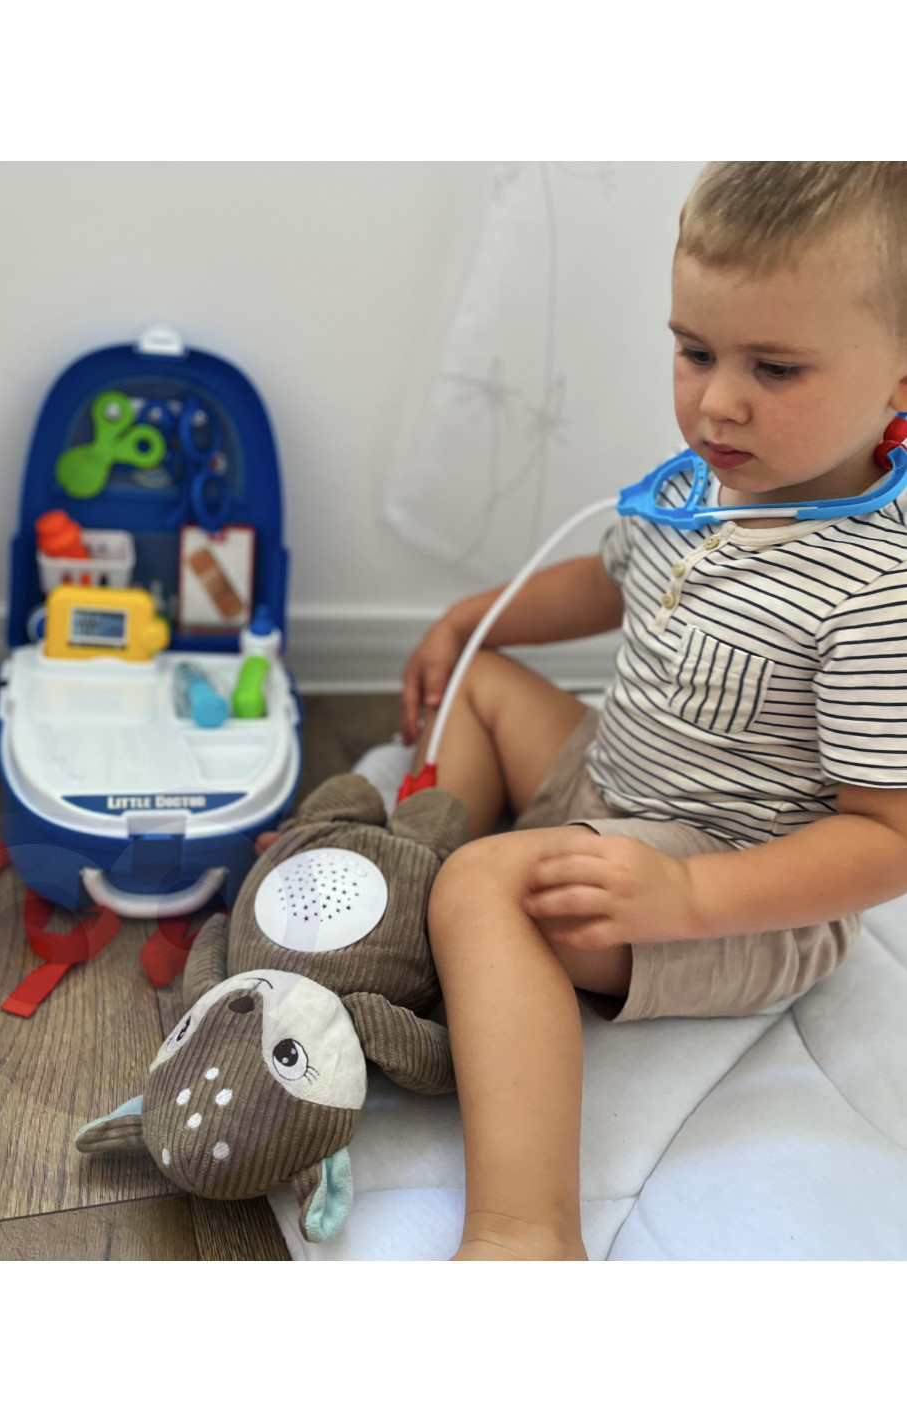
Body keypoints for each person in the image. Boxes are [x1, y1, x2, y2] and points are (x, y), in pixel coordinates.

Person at [399, 162, 907, 1261]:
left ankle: (526, 1234)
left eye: (774, 367)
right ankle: (404, 876)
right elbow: (604, 580)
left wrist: (685, 894)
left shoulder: (876, 590)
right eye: (694, 351)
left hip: (737, 885)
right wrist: (470, 617)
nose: (718, 401)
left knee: (486, 885)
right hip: (613, 779)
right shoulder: (695, 481)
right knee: (476, 683)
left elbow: (886, 842)